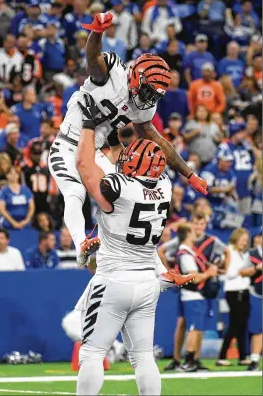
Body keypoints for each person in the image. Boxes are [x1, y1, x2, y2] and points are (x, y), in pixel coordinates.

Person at [48, 11, 208, 265]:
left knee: (130, 200)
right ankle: (81, 243)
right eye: (147, 91)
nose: (148, 99)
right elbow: (92, 59)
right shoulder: (114, 74)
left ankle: (157, 267)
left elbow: (158, 140)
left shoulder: (144, 106)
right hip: (67, 145)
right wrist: (97, 33)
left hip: (97, 152)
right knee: (75, 191)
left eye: (154, 95)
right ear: (136, 77)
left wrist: (189, 174)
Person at [75, 107, 194, 395]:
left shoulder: (120, 186)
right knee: (142, 357)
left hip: (114, 279)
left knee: (91, 353)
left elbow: (84, 166)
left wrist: (89, 125)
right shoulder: (164, 186)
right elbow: (137, 166)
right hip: (146, 283)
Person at [174, 224, 218, 372]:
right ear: (188, 233)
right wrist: (209, 273)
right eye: (193, 231)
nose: (196, 234)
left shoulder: (189, 252)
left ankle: (195, 360)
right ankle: (188, 360)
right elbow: (193, 278)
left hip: (196, 296)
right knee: (193, 329)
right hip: (192, 296)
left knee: (198, 329)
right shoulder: (185, 254)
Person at [216, 228, 251, 367]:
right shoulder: (228, 251)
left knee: (242, 325)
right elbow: (225, 274)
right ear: (236, 238)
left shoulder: (244, 253)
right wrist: (241, 272)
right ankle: (222, 356)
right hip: (233, 292)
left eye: (246, 240)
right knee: (235, 324)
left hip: (245, 290)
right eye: (243, 239)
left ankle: (242, 357)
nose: (245, 242)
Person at [239, 232, 262, 371]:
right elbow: (242, 271)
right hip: (257, 294)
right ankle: (254, 359)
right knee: (258, 328)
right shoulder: (251, 253)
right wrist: (256, 268)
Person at [21, 139, 51, 214]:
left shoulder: (45, 169)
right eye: (35, 153)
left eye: (39, 153)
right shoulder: (25, 168)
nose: (37, 156)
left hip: (43, 201)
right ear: (30, 153)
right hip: (30, 202)